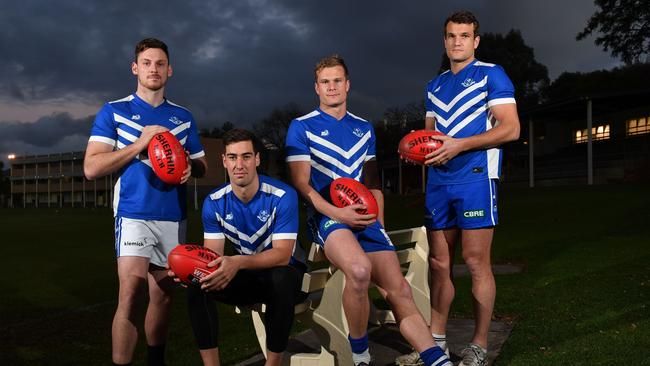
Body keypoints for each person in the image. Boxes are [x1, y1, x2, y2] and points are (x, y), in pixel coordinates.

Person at [285, 55, 451, 366]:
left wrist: (380, 225)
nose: (332, 87)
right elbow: (302, 185)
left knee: (399, 289)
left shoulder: (364, 128)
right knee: (360, 271)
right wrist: (338, 214)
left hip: (365, 220)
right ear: (316, 88)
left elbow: (373, 183)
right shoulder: (301, 127)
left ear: (347, 85)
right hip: (327, 220)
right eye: (325, 82)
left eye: (337, 81)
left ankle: (437, 360)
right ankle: (361, 355)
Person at [396, 10, 521, 366]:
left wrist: (459, 145)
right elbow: (429, 139)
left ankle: (478, 345)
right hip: (439, 182)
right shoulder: (433, 86)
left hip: (476, 177)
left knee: (476, 261)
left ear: (475, 41)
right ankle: (433, 344)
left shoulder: (490, 74)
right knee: (438, 263)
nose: (457, 42)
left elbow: (511, 128)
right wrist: (414, 152)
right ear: (445, 41)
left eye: (464, 36)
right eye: (451, 36)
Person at [83, 38, 208, 366]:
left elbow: (203, 165)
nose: (154, 69)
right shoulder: (115, 111)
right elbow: (91, 167)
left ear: (170, 70)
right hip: (133, 212)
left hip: (173, 216)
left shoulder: (183, 117)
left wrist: (189, 167)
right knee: (131, 294)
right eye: (148, 63)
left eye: (161, 63)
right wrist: (140, 143)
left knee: (163, 297)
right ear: (135, 68)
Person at [172, 128, 306, 366]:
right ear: (224, 161)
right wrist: (190, 270)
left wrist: (237, 262)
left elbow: (283, 256)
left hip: (288, 277)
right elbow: (213, 258)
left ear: (257, 159)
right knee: (197, 285)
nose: (239, 164)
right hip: (248, 275)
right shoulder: (214, 203)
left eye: (246, 156)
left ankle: (273, 364)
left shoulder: (282, 195)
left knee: (281, 278)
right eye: (232, 157)